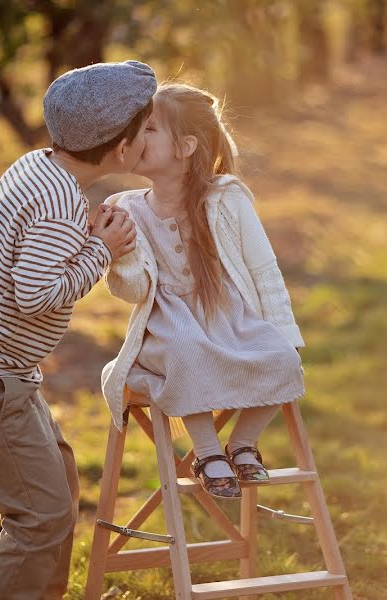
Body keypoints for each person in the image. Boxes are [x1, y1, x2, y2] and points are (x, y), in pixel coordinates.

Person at [0, 61, 155, 599]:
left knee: (60, 490)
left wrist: (82, 238)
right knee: (42, 514)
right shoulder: (62, 204)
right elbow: (36, 295)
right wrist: (102, 250)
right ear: (121, 148)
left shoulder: (38, 167)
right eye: (147, 128)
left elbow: (28, 258)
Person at [100, 82, 305, 500]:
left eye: (151, 129)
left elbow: (264, 270)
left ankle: (243, 443)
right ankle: (207, 452)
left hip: (227, 317)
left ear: (186, 146)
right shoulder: (127, 209)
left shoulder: (227, 199)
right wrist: (118, 253)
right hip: (168, 324)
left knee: (284, 359)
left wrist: (286, 332)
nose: (138, 138)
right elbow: (135, 290)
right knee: (187, 350)